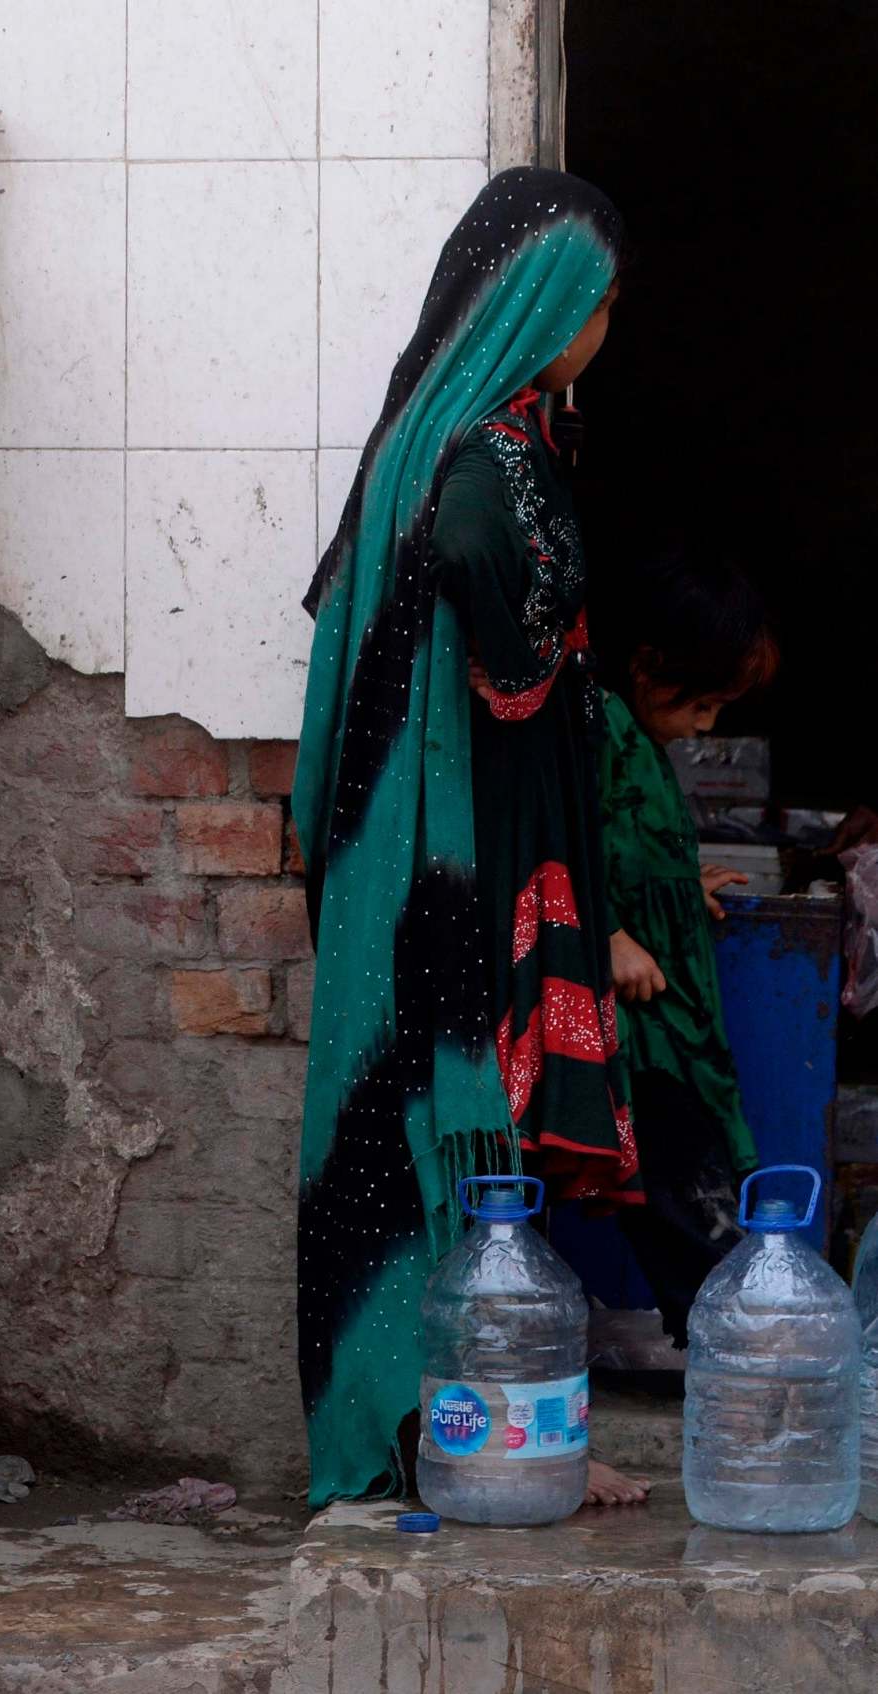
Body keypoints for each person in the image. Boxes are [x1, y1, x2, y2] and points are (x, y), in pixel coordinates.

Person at [292, 168, 651, 1512]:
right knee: (460, 1110)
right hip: (462, 851)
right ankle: (470, 1436)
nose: (604, 332)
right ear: (548, 305)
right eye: (601, 306)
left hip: (418, 845)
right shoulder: (480, 453)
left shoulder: (421, 439)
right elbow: (483, 596)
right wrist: (537, 644)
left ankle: (455, 1430)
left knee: (420, 1120)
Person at [594, 554, 777, 1348]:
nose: (706, 726)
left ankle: (726, 1344)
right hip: (638, 1025)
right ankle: (733, 1351)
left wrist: (675, 882)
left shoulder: (637, 735)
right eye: (701, 703)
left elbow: (624, 842)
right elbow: (555, 840)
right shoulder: (593, 726)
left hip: (672, 1010)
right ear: (646, 666)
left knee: (691, 1179)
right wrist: (605, 933)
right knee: (676, 1189)